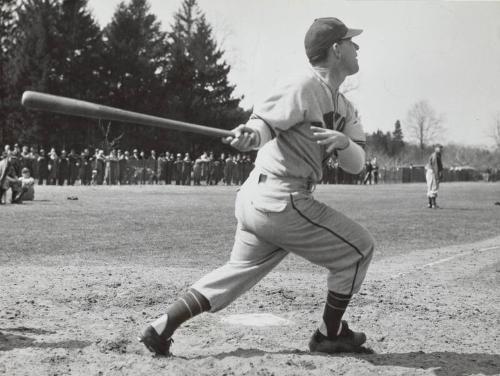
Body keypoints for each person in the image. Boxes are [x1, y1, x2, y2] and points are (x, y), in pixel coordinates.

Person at [139, 17, 374, 356]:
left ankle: (162, 326)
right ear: (336, 50)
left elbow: (358, 164)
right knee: (359, 249)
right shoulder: (303, 84)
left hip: (261, 199)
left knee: (236, 273)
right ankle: (329, 333)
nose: (357, 47)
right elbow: (263, 124)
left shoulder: (345, 107)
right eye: (351, 42)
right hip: (283, 198)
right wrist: (251, 136)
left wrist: (341, 143)